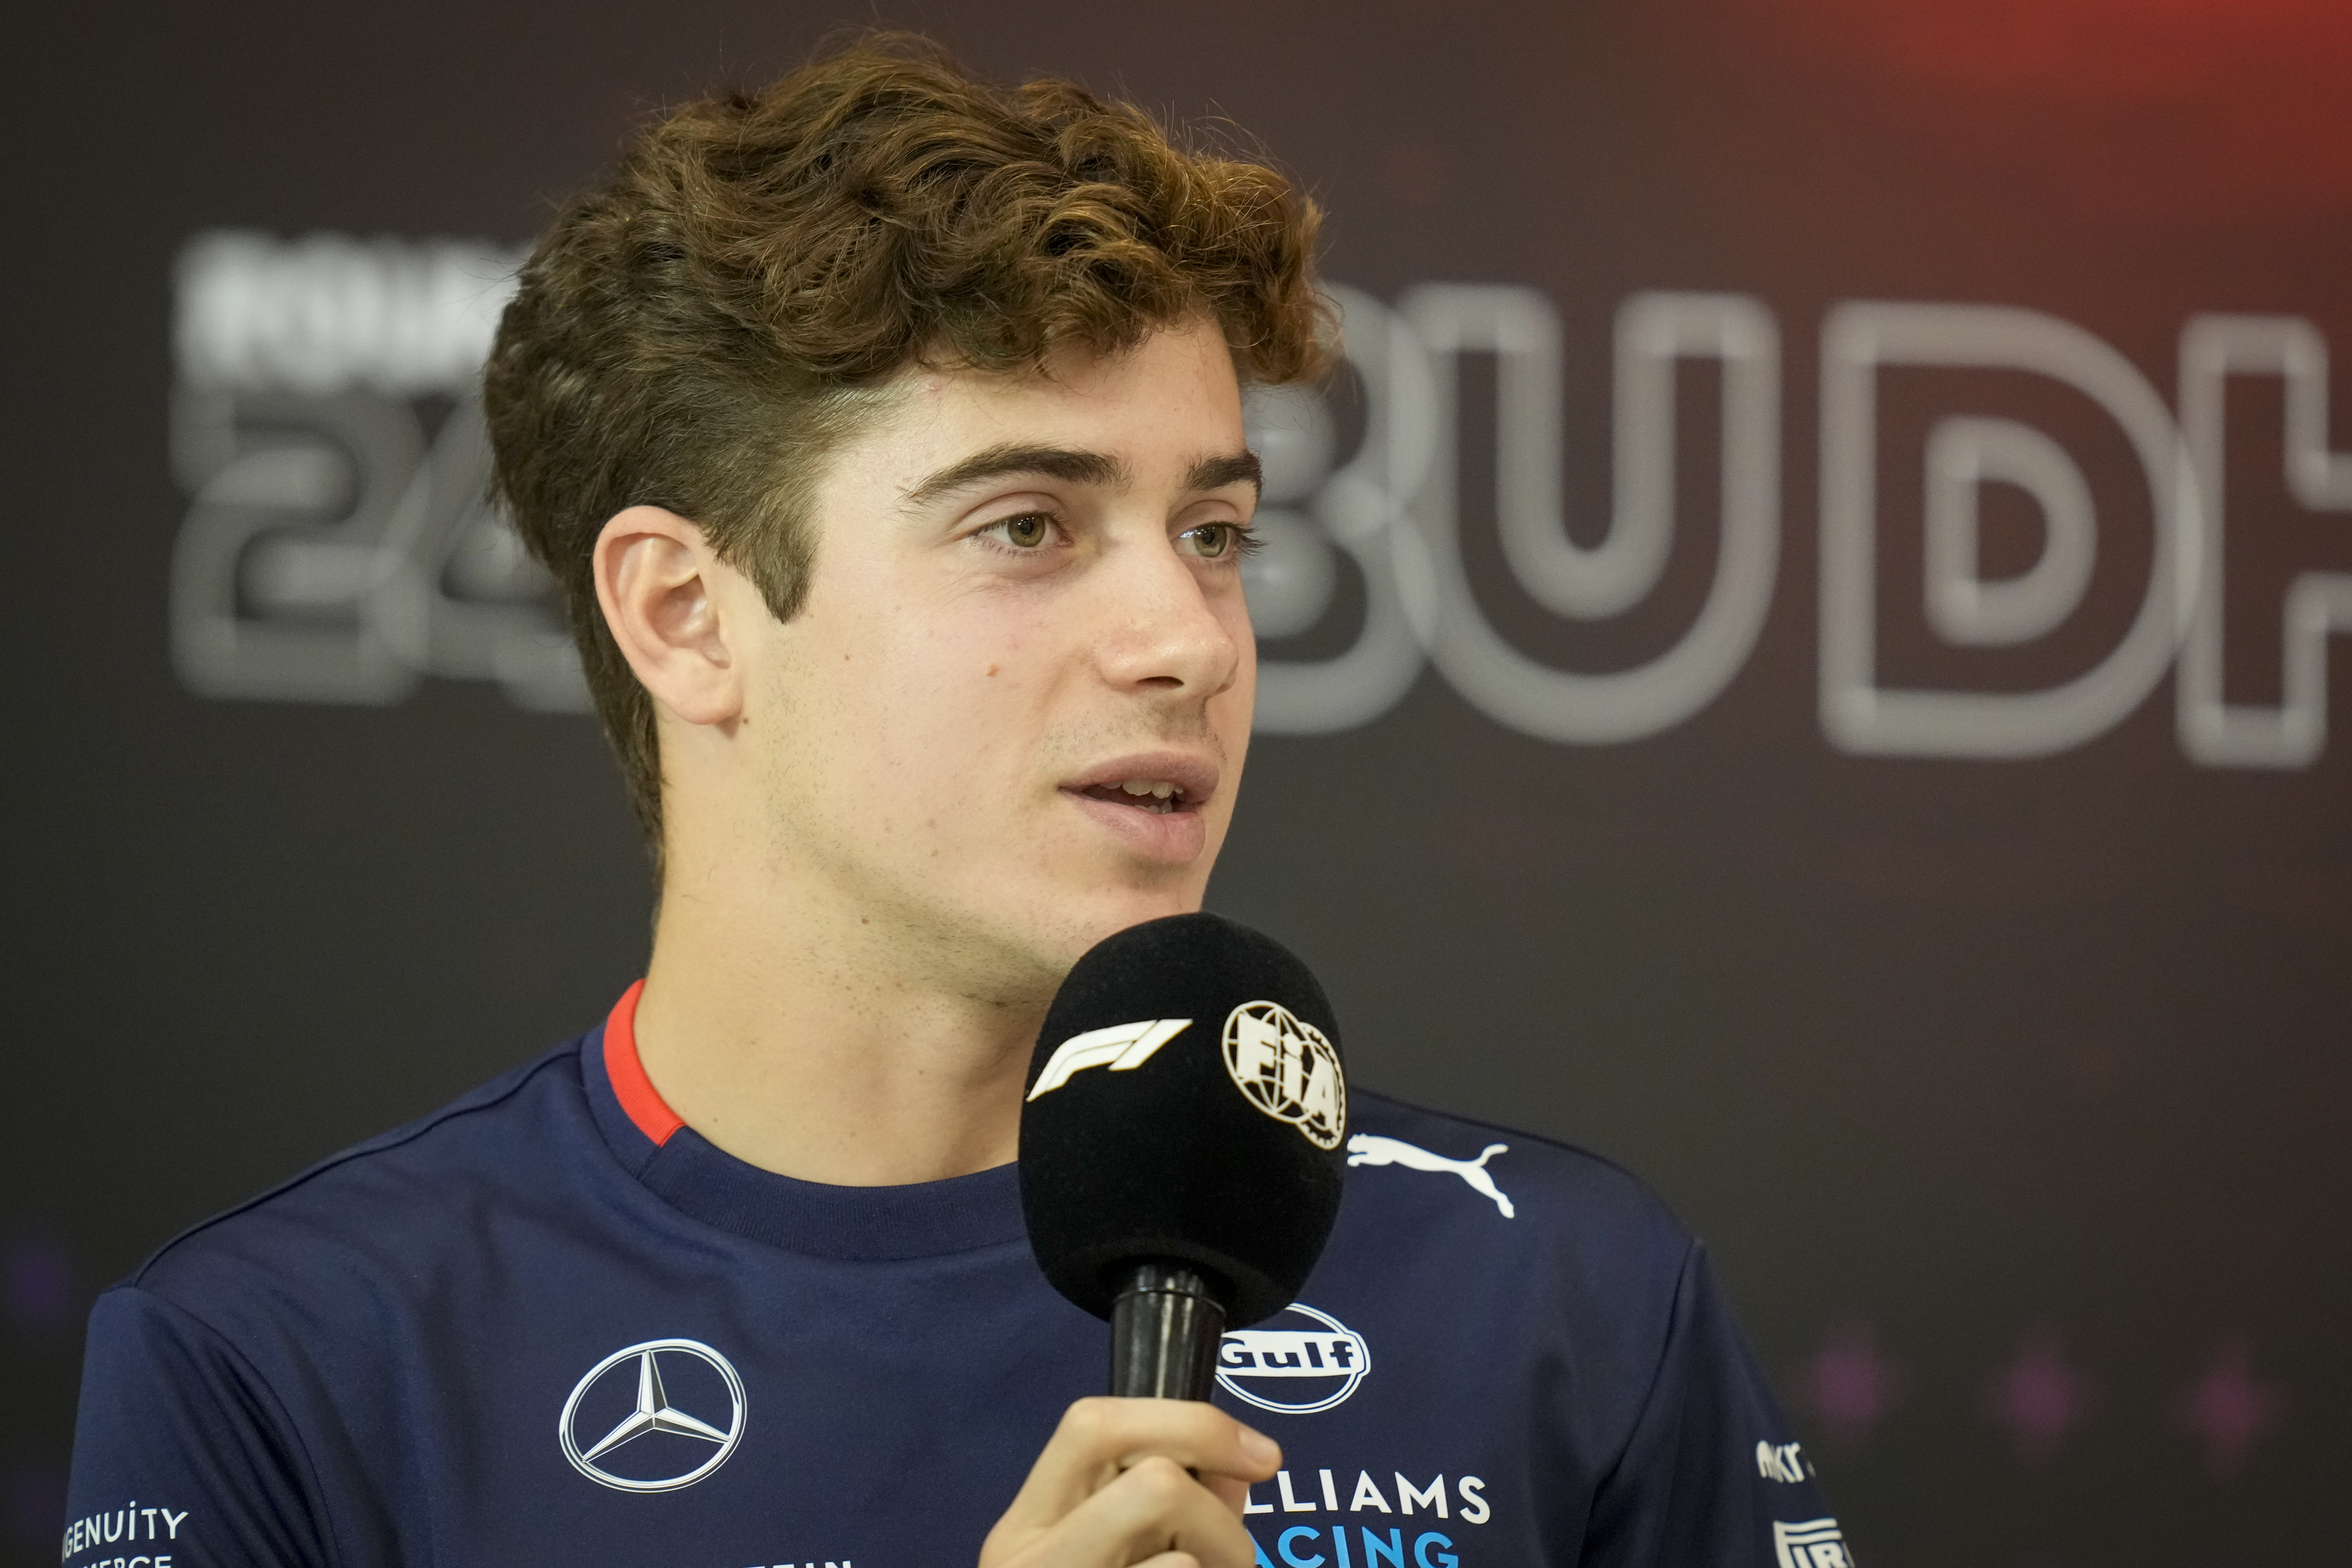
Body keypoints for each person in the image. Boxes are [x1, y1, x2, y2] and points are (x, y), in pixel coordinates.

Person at [64, 35, 1842, 1568]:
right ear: (687, 614)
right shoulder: (283, 1368)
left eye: (1213, 533)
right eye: (1027, 526)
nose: (1186, 638)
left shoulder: (1569, 1308)